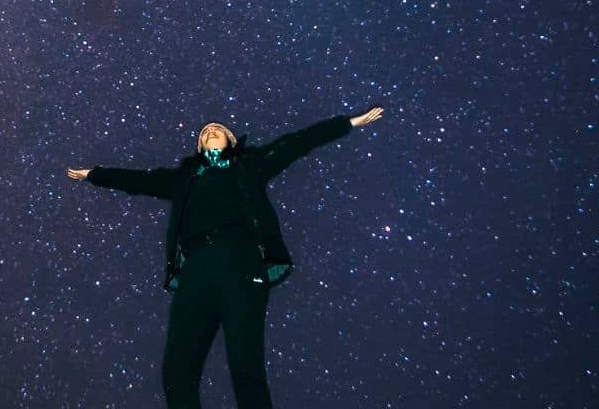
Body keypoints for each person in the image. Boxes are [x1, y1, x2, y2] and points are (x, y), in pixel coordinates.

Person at [66, 106, 384, 408]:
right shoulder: (184, 178)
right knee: (177, 372)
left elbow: (295, 143)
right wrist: (95, 174)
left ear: (231, 140)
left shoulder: (251, 165)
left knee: (246, 367)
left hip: (241, 262)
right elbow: (139, 181)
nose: (211, 130)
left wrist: (347, 123)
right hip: (196, 269)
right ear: (200, 145)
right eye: (205, 132)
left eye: (218, 129)